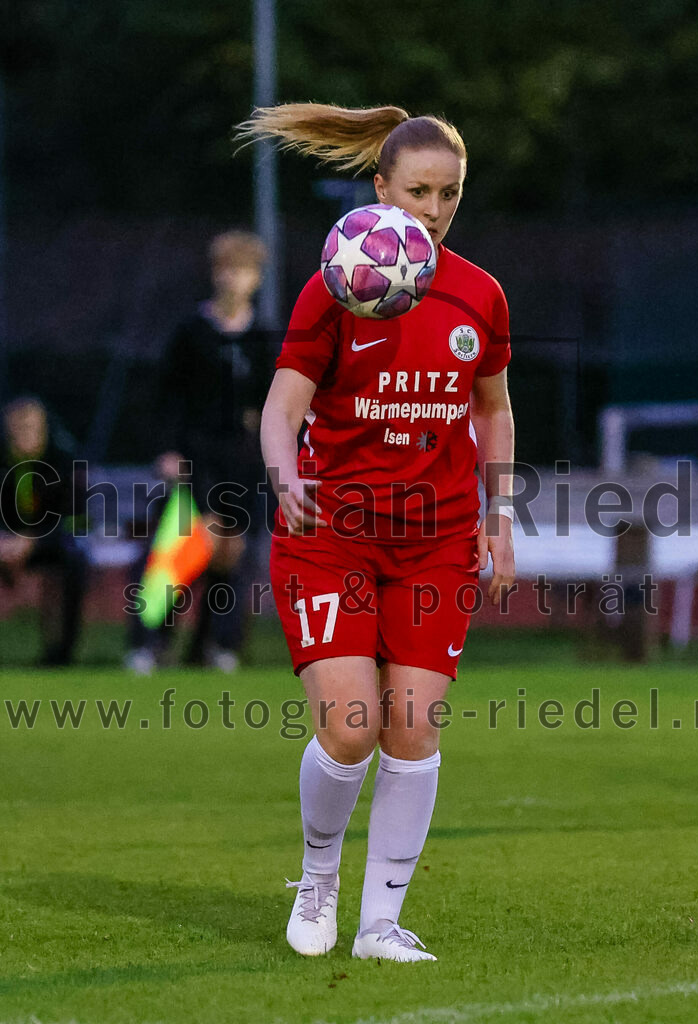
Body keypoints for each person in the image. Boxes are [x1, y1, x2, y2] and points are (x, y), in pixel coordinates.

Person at [245, 103, 515, 962]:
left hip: (438, 539)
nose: (434, 210)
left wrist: (500, 517)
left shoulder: (481, 294)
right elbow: (284, 404)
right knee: (353, 724)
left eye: (449, 193)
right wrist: (286, 474)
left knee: (413, 727)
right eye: (419, 191)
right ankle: (318, 877)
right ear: (380, 188)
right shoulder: (338, 284)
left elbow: (495, 408)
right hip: (330, 534)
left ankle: (380, 924)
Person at [126, 231, 275, 673]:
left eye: (244, 270)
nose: (234, 278)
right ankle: (150, 642)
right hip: (196, 457)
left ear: (256, 279)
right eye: (227, 269)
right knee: (181, 550)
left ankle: (218, 646)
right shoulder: (191, 334)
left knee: (231, 556)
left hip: (244, 461)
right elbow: (166, 397)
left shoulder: (262, 338)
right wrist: (167, 449)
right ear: (215, 274)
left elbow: (273, 402)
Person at [0, 396, 88, 665]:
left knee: (76, 560)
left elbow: (74, 520)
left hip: (46, 543)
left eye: (32, 428)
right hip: (3, 544)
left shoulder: (62, 460)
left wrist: (31, 541)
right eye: (19, 428)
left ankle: (62, 653)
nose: (25, 434)